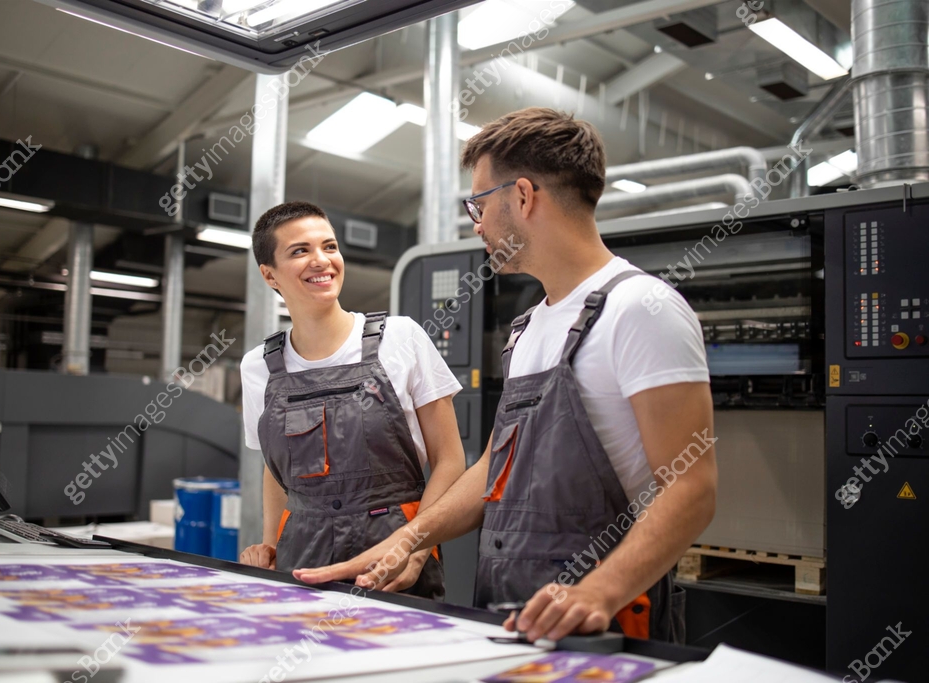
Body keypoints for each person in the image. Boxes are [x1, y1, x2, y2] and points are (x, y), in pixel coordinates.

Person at [293, 108, 718, 642]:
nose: (476, 224)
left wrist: (597, 592)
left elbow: (691, 488)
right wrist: (411, 537)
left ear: (522, 196)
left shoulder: (641, 308)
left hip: (606, 621)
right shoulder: (528, 328)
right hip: (509, 608)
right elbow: (495, 464)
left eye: (479, 203)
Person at [237, 201, 466, 600]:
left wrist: (416, 549)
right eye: (300, 251)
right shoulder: (258, 367)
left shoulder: (401, 338)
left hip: (392, 554)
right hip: (302, 556)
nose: (321, 260)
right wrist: (270, 544)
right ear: (269, 274)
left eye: (329, 246)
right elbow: (276, 474)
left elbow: (450, 459)